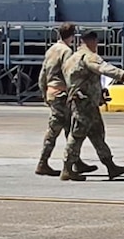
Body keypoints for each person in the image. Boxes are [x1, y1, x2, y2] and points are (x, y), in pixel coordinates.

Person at [62, 29, 124, 181]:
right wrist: (123, 75)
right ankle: (67, 168)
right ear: (93, 42)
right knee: (77, 135)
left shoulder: (73, 57)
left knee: (97, 134)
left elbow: (84, 80)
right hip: (84, 103)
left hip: (86, 102)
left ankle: (110, 165)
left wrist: (99, 93)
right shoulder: (89, 56)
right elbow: (103, 68)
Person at [34, 24, 93, 177]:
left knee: (69, 128)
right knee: (56, 129)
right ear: (72, 36)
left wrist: (44, 92)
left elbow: (43, 74)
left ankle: (75, 161)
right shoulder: (67, 52)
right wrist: (75, 92)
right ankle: (43, 163)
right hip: (61, 94)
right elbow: (69, 74)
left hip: (52, 92)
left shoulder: (51, 50)